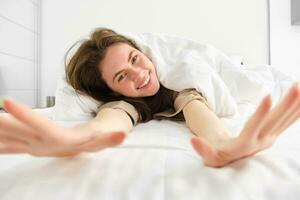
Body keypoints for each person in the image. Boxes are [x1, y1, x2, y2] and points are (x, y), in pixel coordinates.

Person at [0, 28, 299, 168]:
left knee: (190, 98)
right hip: (124, 106)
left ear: (144, 51)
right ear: (112, 88)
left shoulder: (179, 73)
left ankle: (224, 143)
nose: (138, 74)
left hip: (186, 96)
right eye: (121, 77)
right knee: (118, 111)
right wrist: (79, 137)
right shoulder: (122, 102)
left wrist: (224, 143)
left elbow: (197, 100)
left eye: (134, 59)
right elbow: (113, 119)